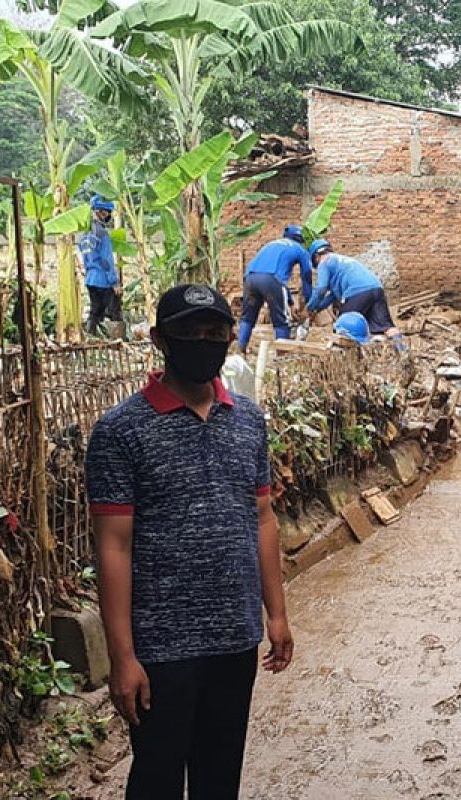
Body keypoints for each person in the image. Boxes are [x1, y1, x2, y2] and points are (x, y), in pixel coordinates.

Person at [86, 284, 294, 800]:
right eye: (187, 333)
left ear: (228, 338)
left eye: (214, 333)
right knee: (156, 777)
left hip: (235, 636)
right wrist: (123, 656)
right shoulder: (120, 432)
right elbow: (113, 547)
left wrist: (277, 614)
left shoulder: (248, 420)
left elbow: (262, 517)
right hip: (161, 646)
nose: (202, 343)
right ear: (160, 339)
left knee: (219, 776)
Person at [307, 240, 401, 344]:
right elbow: (333, 296)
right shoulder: (342, 261)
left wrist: (309, 308)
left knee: (343, 326)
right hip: (376, 289)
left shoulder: (324, 262)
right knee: (386, 327)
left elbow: (321, 289)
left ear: (316, 256)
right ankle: (402, 351)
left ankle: (345, 358)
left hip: (357, 293)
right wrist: (318, 308)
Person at [237, 224, 312, 352]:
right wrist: (309, 303)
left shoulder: (271, 244)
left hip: (250, 279)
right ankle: (282, 358)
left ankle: (241, 349)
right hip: (271, 281)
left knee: (247, 318)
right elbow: (306, 276)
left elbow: (276, 280)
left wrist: (290, 303)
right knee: (281, 322)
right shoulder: (300, 250)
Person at [79, 195, 123, 337]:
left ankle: (90, 336)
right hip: (103, 280)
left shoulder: (85, 235)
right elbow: (106, 260)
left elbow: (85, 259)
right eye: (107, 212)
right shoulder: (102, 234)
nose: (108, 216)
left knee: (95, 312)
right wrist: (114, 282)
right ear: (102, 212)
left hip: (90, 279)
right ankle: (117, 340)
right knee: (114, 311)